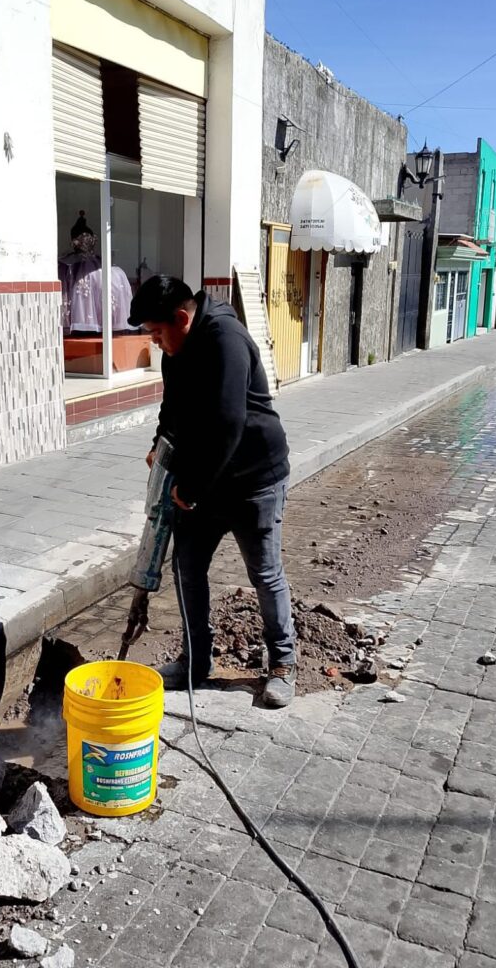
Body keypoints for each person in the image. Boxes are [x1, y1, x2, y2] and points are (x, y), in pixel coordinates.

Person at [127, 275, 296, 707]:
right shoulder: (175, 351)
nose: (155, 341)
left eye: (157, 332)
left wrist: (192, 487)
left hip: (254, 479)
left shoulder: (226, 339)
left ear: (181, 319)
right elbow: (172, 406)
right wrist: (159, 442)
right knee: (187, 568)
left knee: (264, 573)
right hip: (205, 481)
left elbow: (228, 423)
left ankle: (283, 663)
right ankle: (195, 662)